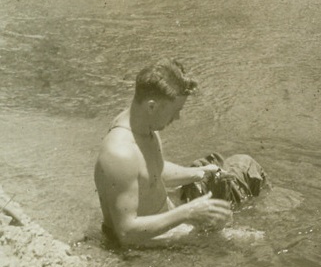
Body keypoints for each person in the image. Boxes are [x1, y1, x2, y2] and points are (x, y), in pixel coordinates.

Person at [94, 58, 232, 247]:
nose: (178, 117)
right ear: (151, 106)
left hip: (166, 220)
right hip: (145, 240)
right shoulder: (119, 154)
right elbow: (126, 232)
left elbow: (150, 172)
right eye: (175, 110)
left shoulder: (144, 127)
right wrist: (187, 212)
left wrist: (199, 174)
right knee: (244, 240)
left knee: (232, 169)